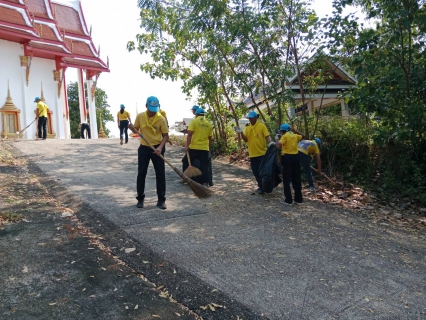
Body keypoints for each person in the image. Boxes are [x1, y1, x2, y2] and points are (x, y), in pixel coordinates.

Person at [133, 96, 169, 209]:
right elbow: (136, 129)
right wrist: (132, 128)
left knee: (160, 173)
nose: (153, 112)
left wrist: (160, 148)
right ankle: (140, 198)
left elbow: (165, 136)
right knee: (142, 172)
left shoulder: (161, 119)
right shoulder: (140, 116)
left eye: (155, 109)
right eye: (151, 108)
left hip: (158, 147)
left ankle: (161, 200)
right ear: (146, 106)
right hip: (144, 147)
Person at [236, 111, 271, 194]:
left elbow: (267, 136)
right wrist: (241, 132)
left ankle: (263, 187)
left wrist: (271, 144)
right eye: (249, 118)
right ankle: (260, 185)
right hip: (252, 154)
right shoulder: (248, 128)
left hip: (262, 153)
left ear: (256, 117)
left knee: (261, 171)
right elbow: (246, 140)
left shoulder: (261, 126)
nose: (250, 119)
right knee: (255, 171)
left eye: (252, 118)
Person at [182, 108, 213, 186]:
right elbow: (210, 138)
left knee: (185, 161)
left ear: (196, 114)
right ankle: (206, 182)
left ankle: (186, 178)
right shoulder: (208, 124)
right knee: (204, 165)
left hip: (194, 148)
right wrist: (208, 148)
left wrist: (187, 146)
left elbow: (189, 134)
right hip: (204, 148)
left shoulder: (194, 121)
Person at [275, 123, 304, 205]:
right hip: (296, 158)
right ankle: (298, 199)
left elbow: (278, 146)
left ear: (282, 131)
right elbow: (303, 136)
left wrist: (277, 137)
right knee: (296, 178)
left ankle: (288, 200)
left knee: (287, 179)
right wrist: (295, 131)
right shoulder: (295, 135)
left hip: (287, 158)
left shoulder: (284, 136)